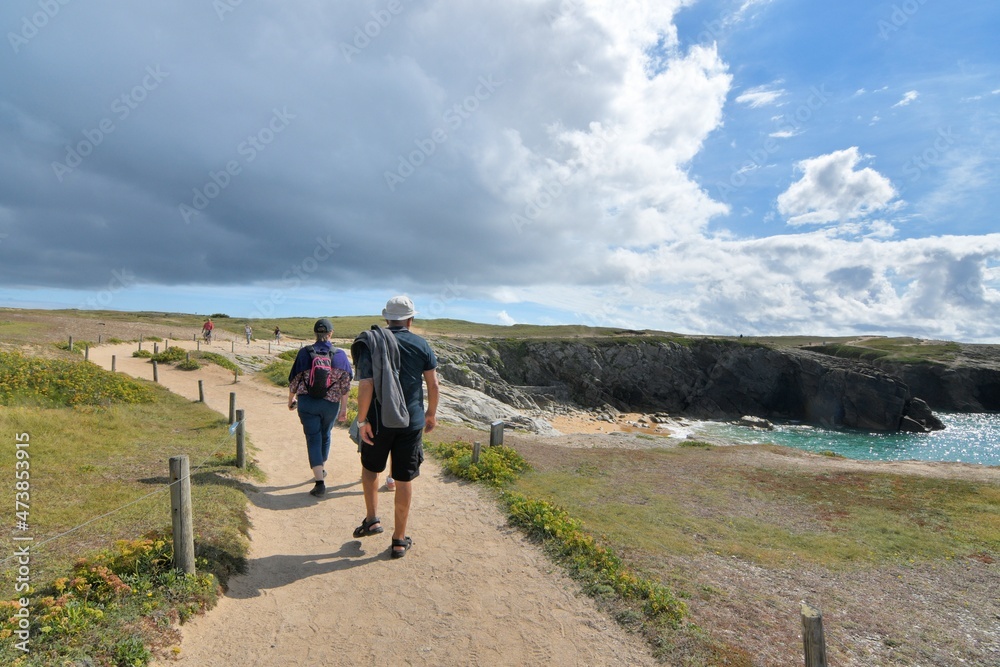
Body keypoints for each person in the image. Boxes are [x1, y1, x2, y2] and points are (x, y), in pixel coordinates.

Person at [351, 296, 438, 558]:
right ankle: (399, 540)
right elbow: (433, 385)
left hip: (379, 420)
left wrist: (362, 420)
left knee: (370, 469)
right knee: (403, 478)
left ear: (386, 318)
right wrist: (430, 415)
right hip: (411, 421)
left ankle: (372, 520)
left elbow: (366, 384)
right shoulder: (421, 344)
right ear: (411, 319)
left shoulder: (372, 342)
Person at [287, 318, 353, 497]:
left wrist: (290, 400)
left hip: (307, 403)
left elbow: (294, 380)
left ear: (315, 333)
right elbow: (345, 385)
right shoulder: (339, 355)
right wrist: (344, 409)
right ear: (331, 333)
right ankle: (321, 467)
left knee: (312, 438)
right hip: (330, 404)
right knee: (325, 435)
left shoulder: (304, 353)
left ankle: (319, 481)